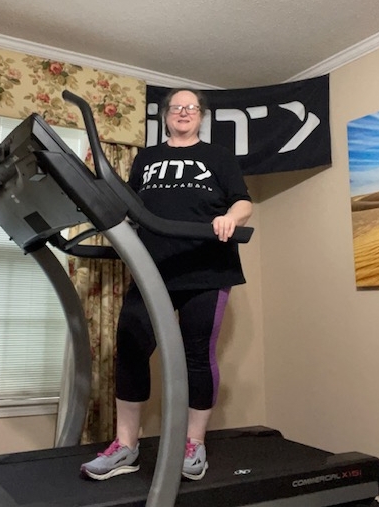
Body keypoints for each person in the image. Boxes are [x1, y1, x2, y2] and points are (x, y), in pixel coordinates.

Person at [80, 88, 253, 481]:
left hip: (206, 266)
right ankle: (126, 446)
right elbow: (131, 206)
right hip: (151, 268)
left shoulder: (218, 157)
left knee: (197, 353)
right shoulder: (147, 157)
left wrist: (231, 217)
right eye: (176, 108)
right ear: (165, 116)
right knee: (131, 347)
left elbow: (244, 201)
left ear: (201, 116)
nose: (184, 113)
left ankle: (194, 444)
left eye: (191, 108)